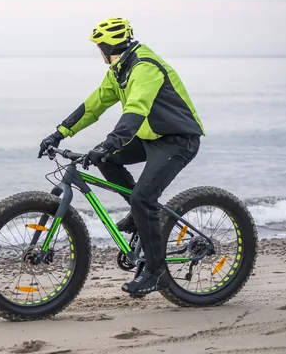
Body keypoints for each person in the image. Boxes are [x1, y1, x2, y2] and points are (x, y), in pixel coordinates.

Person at [38, 17, 205, 295]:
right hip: (151, 136)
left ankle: (156, 272)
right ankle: (138, 213)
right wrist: (59, 133)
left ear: (106, 47)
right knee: (108, 159)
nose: (98, 52)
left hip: (178, 139)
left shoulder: (144, 67)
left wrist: (110, 142)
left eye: (99, 47)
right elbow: (94, 105)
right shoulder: (119, 70)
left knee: (143, 196)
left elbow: (136, 110)